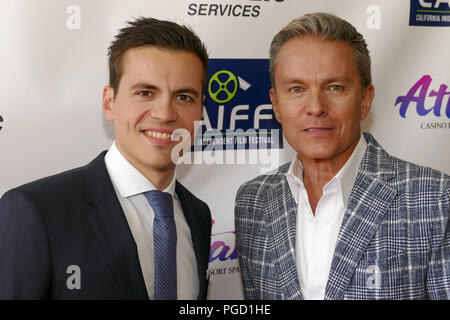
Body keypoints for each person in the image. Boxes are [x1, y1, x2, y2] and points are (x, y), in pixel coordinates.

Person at [235, 12, 450, 300]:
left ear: (364, 100)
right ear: (276, 104)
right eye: (297, 89)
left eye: (335, 87)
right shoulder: (253, 201)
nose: (316, 107)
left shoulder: (434, 198)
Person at [0, 17, 212, 300]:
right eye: (145, 92)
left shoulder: (198, 215)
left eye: (184, 97)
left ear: (200, 111)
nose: (164, 114)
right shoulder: (35, 211)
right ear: (109, 102)